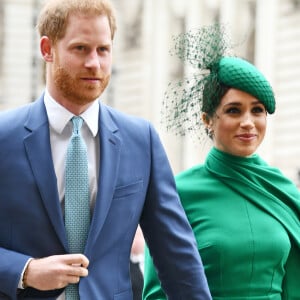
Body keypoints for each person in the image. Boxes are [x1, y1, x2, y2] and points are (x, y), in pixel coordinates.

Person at [0, 1, 212, 299]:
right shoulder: (4, 138)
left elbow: (176, 255)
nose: (95, 63)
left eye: (103, 50)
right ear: (47, 49)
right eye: (80, 49)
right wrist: (24, 270)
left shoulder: (141, 141)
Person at [143, 25, 300, 299]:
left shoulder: (283, 190)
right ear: (207, 120)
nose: (248, 122)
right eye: (233, 111)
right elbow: (157, 293)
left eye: (258, 110)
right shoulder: (177, 194)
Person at [130, 226, 145, 300]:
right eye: (133, 237)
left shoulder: (152, 263)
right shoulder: (125, 267)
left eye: (139, 237)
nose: (135, 241)